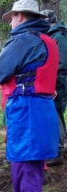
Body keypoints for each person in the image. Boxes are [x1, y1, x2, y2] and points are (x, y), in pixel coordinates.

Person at [0, 0, 59, 192]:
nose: (10, 22)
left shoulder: (24, 39)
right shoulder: (48, 40)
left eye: (11, 18)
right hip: (42, 109)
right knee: (33, 168)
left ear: (20, 16)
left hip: (26, 109)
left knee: (24, 169)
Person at [41, 9, 67, 166]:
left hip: (58, 83)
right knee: (53, 112)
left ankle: (58, 152)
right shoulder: (52, 35)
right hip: (54, 82)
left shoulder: (60, 36)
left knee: (55, 112)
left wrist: (53, 84)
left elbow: (62, 64)